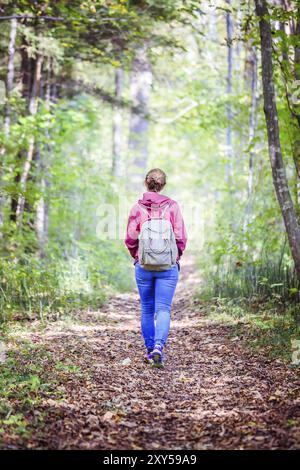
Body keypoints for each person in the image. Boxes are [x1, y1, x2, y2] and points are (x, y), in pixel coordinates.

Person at [125, 168, 187, 367]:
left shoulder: (137, 208)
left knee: (146, 309)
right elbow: (181, 237)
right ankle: (160, 346)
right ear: (163, 185)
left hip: (143, 266)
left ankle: (150, 351)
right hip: (168, 267)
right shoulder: (173, 207)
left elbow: (130, 239)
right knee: (163, 309)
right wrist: (175, 257)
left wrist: (137, 257)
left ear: (146, 183)